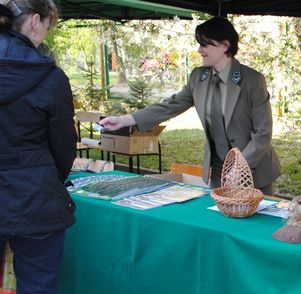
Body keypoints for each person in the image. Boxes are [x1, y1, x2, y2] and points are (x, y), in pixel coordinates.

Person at [0, 0, 77, 294]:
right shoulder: (49, 76)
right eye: (47, 25)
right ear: (33, 21)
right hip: (35, 203)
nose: (46, 34)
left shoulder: (49, 75)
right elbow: (62, 150)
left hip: (29, 197)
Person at [100, 16, 282, 194]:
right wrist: (124, 120)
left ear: (225, 45)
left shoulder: (252, 80)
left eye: (205, 44)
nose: (200, 50)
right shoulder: (198, 77)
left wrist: (241, 167)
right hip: (219, 173)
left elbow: (262, 133)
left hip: (254, 171)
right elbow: (169, 106)